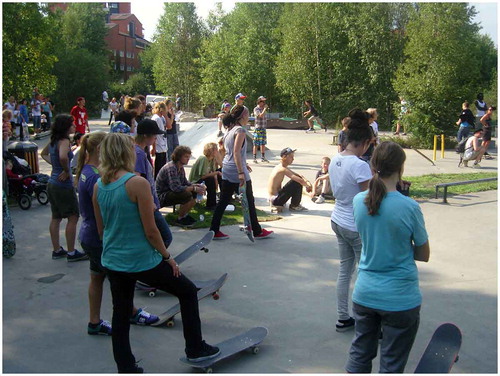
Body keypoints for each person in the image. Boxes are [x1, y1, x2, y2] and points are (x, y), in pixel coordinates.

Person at [92, 133, 220, 373]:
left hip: (113, 260)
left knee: (120, 314)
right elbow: (151, 231)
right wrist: (167, 257)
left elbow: (102, 231)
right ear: (125, 153)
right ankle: (195, 348)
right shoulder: (136, 183)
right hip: (141, 260)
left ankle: (126, 367)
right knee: (188, 291)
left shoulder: (99, 185)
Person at [346, 141, 430, 373]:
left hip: (365, 294)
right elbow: (423, 254)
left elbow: (372, 236)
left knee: (360, 354)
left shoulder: (358, 201)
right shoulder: (409, 207)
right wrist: (400, 248)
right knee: (392, 363)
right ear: (401, 168)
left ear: (373, 167)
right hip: (400, 299)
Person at [75, 132, 158, 337]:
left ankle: (94, 322)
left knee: (96, 277)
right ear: (101, 150)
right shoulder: (98, 177)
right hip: (101, 237)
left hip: (88, 235)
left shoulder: (86, 171)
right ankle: (130, 313)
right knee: (119, 281)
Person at [328, 108, 373, 332]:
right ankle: (365, 321)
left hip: (337, 219)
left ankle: (343, 317)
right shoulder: (360, 165)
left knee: (345, 271)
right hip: (355, 226)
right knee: (366, 273)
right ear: (365, 142)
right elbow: (368, 200)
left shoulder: (335, 159)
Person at [209, 105, 273, 240]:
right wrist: (241, 172)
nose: (248, 117)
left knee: (224, 200)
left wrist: (244, 164)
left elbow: (231, 152)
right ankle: (257, 230)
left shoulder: (229, 130)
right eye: (247, 114)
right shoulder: (240, 131)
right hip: (235, 170)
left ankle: (214, 230)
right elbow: (236, 152)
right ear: (242, 116)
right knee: (249, 200)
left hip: (227, 167)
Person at [40, 114, 87, 261]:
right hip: (63, 185)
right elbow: (63, 157)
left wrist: (55, 167)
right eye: (72, 124)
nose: (74, 126)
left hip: (52, 183)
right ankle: (72, 252)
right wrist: (66, 171)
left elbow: (43, 154)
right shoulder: (65, 141)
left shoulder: (54, 140)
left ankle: (57, 249)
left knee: (56, 217)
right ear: (66, 127)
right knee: (73, 217)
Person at [134, 119, 174, 248]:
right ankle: (156, 263)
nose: (156, 137)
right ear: (146, 135)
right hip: (148, 203)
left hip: (150, 201)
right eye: (154, 135)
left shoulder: (141, 151)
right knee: (165, 237)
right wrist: (148, 202)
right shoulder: (138, 153)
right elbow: (136, 180)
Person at [156, 145, 205, 227]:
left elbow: (185, 182)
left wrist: (198, 186)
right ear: (178, 156)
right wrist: (194, 188)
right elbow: (176, 188)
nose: (188, 159)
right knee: (186, 194)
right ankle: (180, 219)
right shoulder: (171, 168)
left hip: (170, 192)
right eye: (186, 157)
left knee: (194, 192)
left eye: (189, 157)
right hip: (162, 195)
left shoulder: (180, 167)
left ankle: (184, 215)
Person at [189, 142, 222, 211]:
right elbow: (203, 176)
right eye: (215, 149)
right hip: (196, 180)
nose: (217, 151)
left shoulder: (212, 159)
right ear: (211, 150)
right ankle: (210, 205)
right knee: (210, 180)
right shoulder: (204, 159)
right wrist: (216, 173)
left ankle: (222, 197)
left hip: (205, 178)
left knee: (220, 172)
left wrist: (216, 177)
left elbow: (214, 171)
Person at [151, 102, 168, 178]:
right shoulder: (156, 118)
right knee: (158, 168)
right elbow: (154, 133)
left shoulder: (162, 118)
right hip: (158, 146)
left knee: (163, 167)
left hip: (163, 145)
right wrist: (153, 147)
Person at [252, 96, 270, 163]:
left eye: (264, 101)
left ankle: (263, 157)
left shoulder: (263, 109)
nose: (264, 103)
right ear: (259, 101)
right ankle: (254, 157)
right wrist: (265, 109)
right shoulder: (256, 109)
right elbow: (260, 115)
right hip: (258, 128)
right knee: (256, 144)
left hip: (263, 128)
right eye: (262, 101)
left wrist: (264, 109)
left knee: (263, 143)